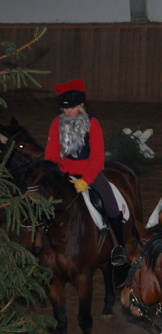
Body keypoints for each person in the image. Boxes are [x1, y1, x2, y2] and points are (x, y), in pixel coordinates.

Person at [44, 78, 127, 266]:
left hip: (90, 173)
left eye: (71, 108)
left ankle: (119, 246)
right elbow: (50, 154)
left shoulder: (93, 124)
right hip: (62, 175)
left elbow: (98, 159)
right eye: (64, 109)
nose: (67, 112)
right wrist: (53, 173)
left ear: (81, 105)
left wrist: (85, 180)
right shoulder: (56, 123)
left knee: (111, 205)